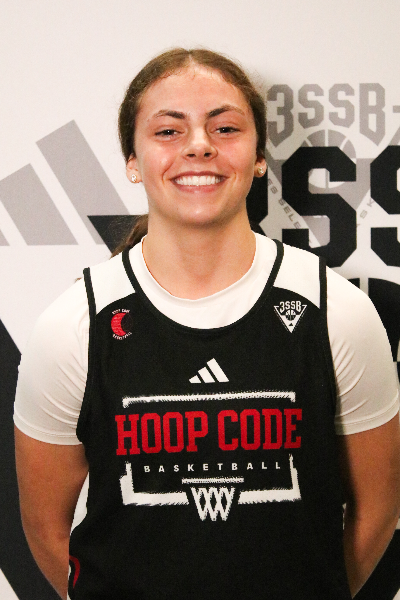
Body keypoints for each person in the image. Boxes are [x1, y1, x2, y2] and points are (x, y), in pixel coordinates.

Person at [14, 48, 400, 600]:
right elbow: (45, 530)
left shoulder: (337, 312)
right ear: (132, 160)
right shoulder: (75, 325)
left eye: (225, 127)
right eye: (168, 131)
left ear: (259, 157)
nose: (199, 145)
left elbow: (377, 511)